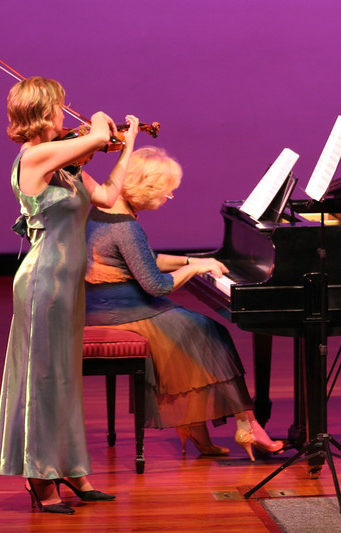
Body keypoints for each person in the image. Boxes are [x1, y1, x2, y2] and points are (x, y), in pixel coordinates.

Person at [0, 76, 139, 515]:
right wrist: (100, 122)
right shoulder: (36, 156)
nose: (64, 114)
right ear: (42, 112)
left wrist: (128, 146)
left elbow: (110, 197)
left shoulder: (67, 165)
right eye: (59, 107)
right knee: (42, 378)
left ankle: (72, 468)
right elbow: (94, 132)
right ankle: (40, 476)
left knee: (63, 377)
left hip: (67, 283)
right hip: (43, 282)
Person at [83, 146, 284, 461]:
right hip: (122, 314)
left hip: (103, 307)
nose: (168, 198)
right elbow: (156, 285)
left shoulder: (102, 211)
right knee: (208, 331)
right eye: (167, 192)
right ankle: (247, 424)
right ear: (146, 189)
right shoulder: (126, 227)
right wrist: (193, 268)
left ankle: (195, 426)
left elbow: (146, 261)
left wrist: (196, 259)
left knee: (201, 331)